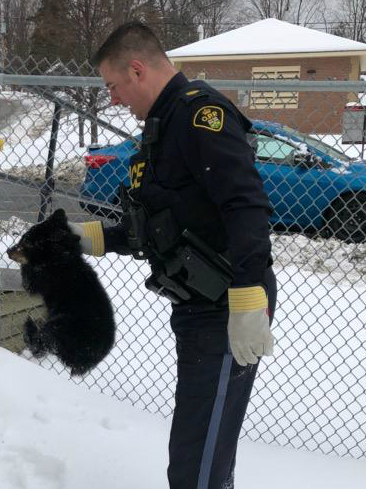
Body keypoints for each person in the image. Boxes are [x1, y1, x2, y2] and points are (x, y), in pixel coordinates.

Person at [68, 22, 277, 489]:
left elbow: (246, 205)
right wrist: (88, 237)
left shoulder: (200, 116)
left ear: (137, 69)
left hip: (226, 304)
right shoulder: (162, 128)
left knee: (197, 457)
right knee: (202, 447)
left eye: (113, 86)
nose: (114, 99)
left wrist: (247, 296)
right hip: (198, 304)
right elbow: (159, 226)